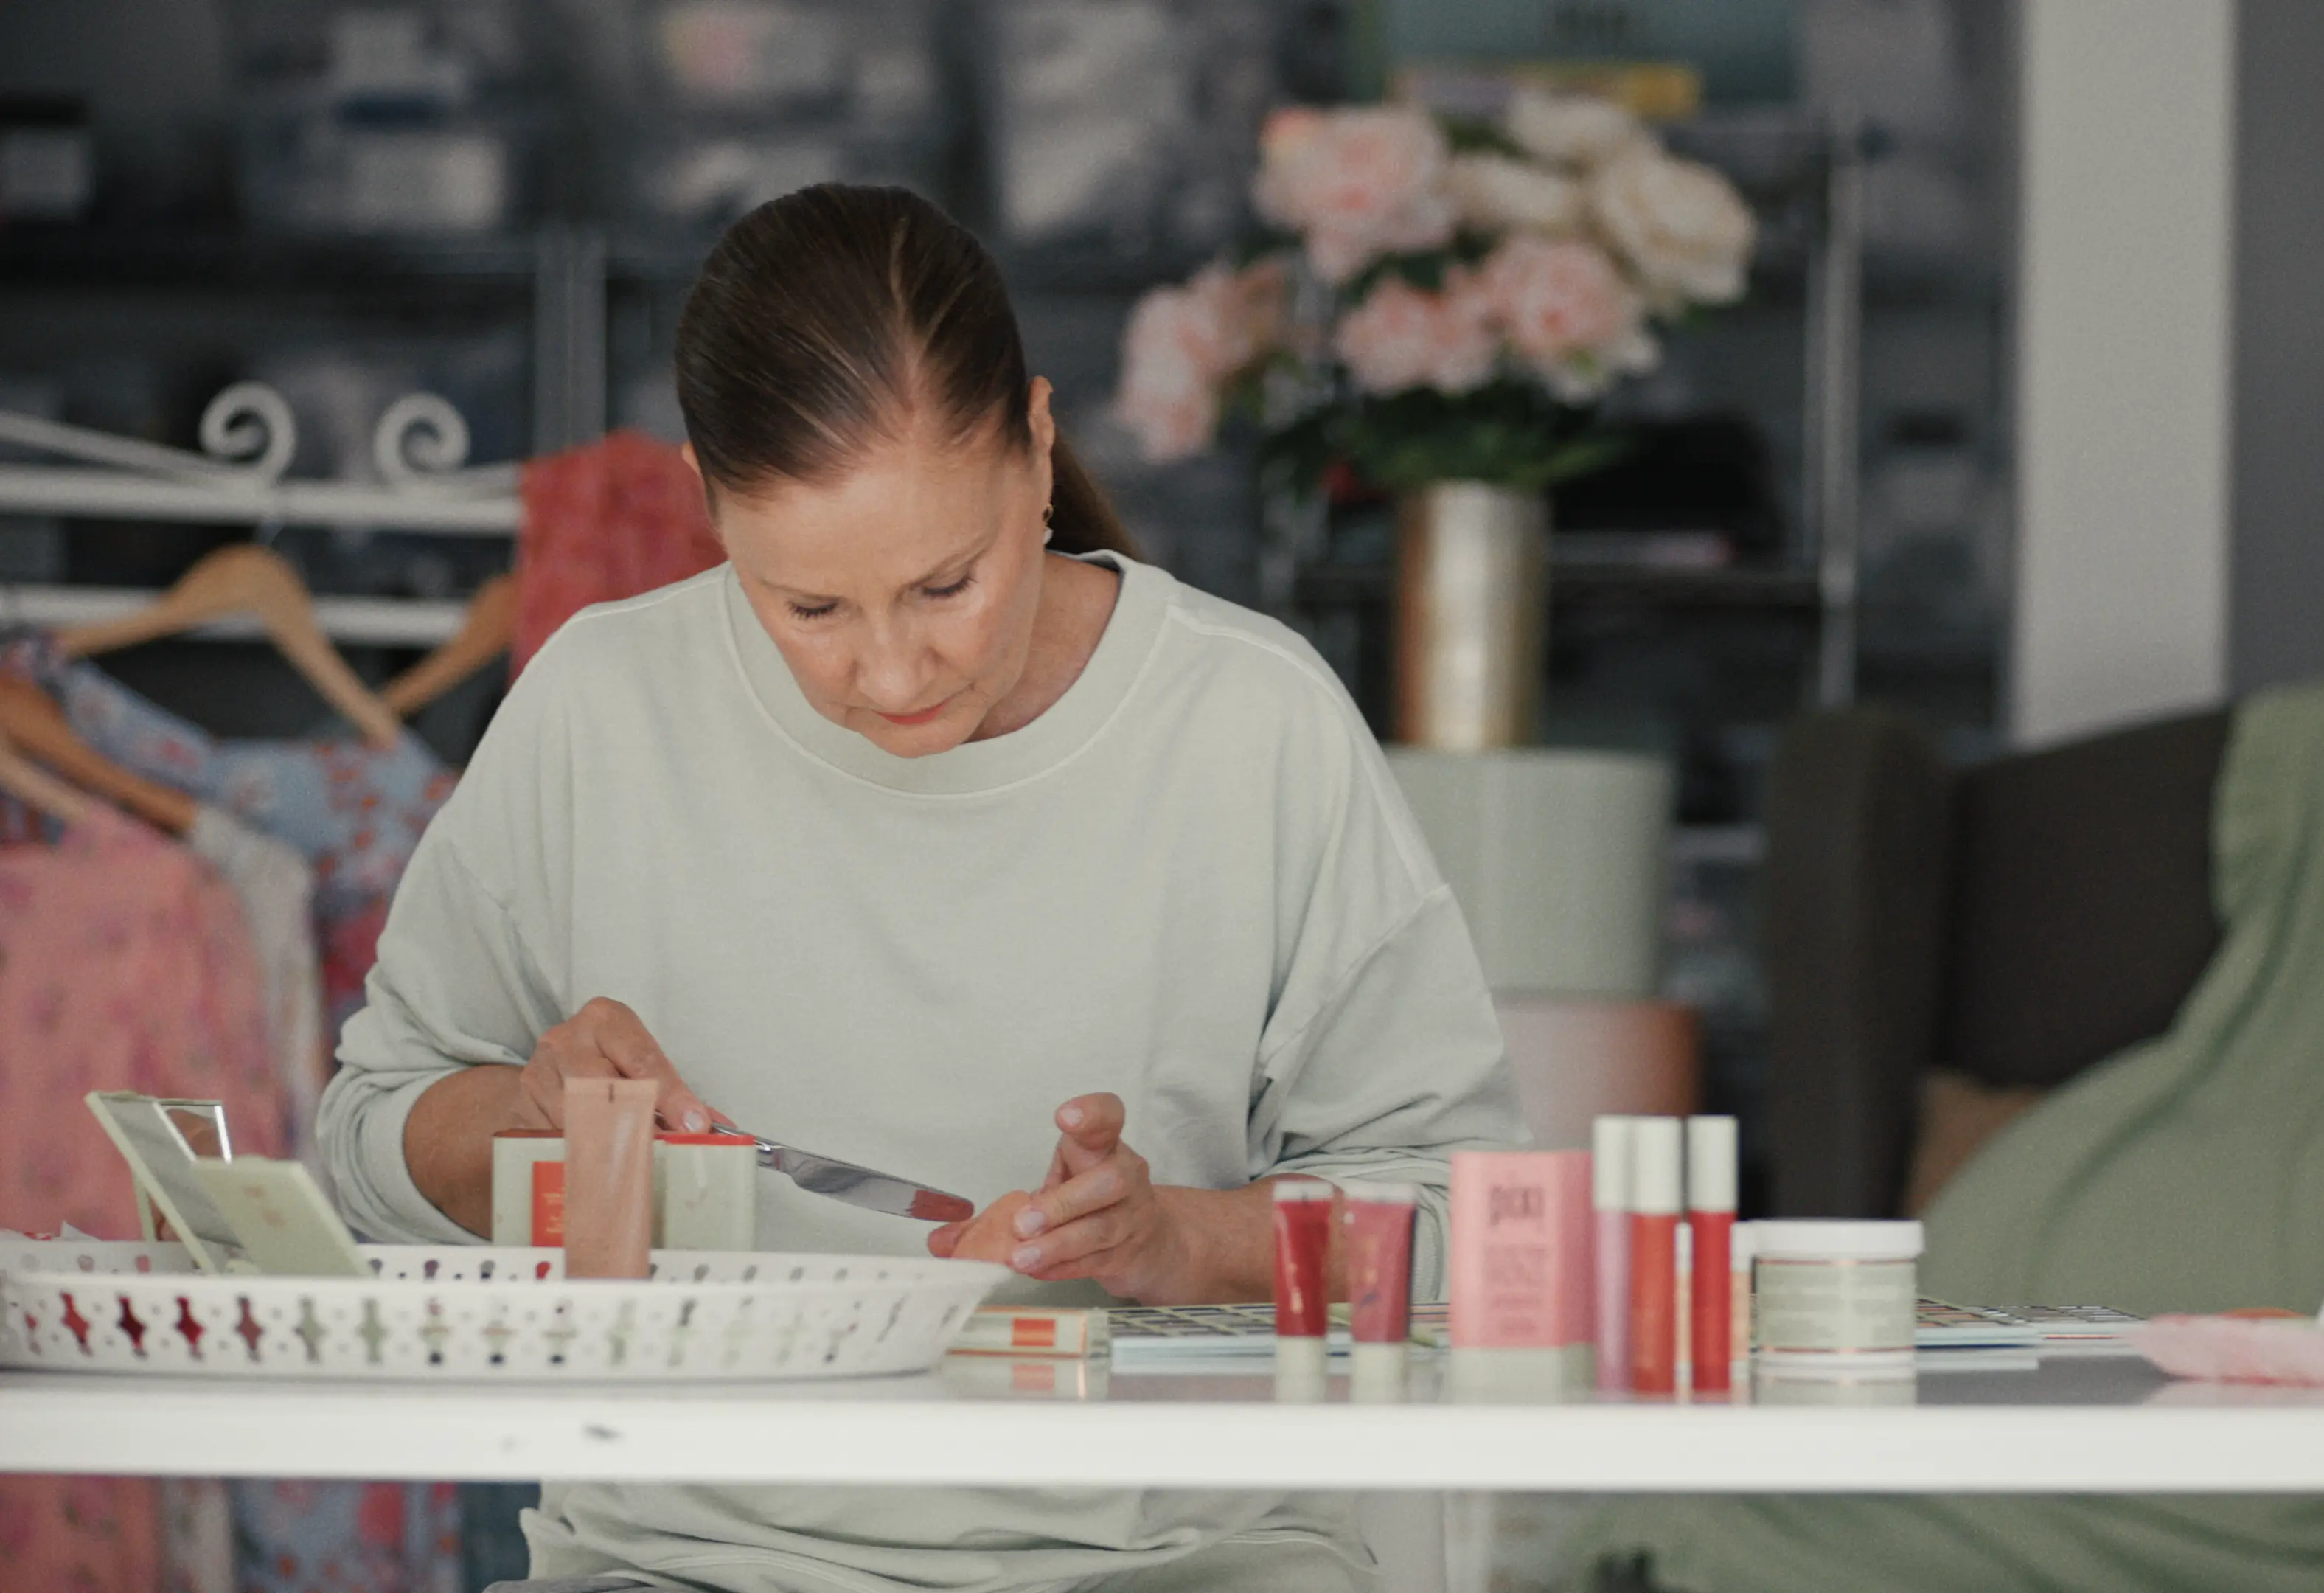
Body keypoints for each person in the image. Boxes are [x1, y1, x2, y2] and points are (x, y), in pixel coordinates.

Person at [319, 183, 1524, 1593]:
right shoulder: (601, 704)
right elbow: (362, 1148)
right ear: (709, 509)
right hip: (688, 1564)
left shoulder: (1252, 723)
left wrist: (1175, 1238)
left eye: (947, 585)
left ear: (1037, 442)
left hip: (1183, 1565)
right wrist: (518, 1122)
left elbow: (1465, 1225)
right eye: (810, 610)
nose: (890, 676)